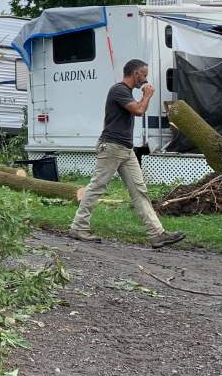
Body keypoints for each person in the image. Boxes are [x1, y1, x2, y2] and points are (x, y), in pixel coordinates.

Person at [69, 58, 185, 248]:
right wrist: (147, 95)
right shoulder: (119, 90)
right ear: (135, 73)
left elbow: (137, 109)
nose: (146, 79)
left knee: (139, 191)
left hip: (125, 149)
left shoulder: (127, 93)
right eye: (144, 75)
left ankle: (157, 234)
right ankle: (78, 227)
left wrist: (144, 97)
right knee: (97, 186)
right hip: (112, 147)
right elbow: (139, 110)